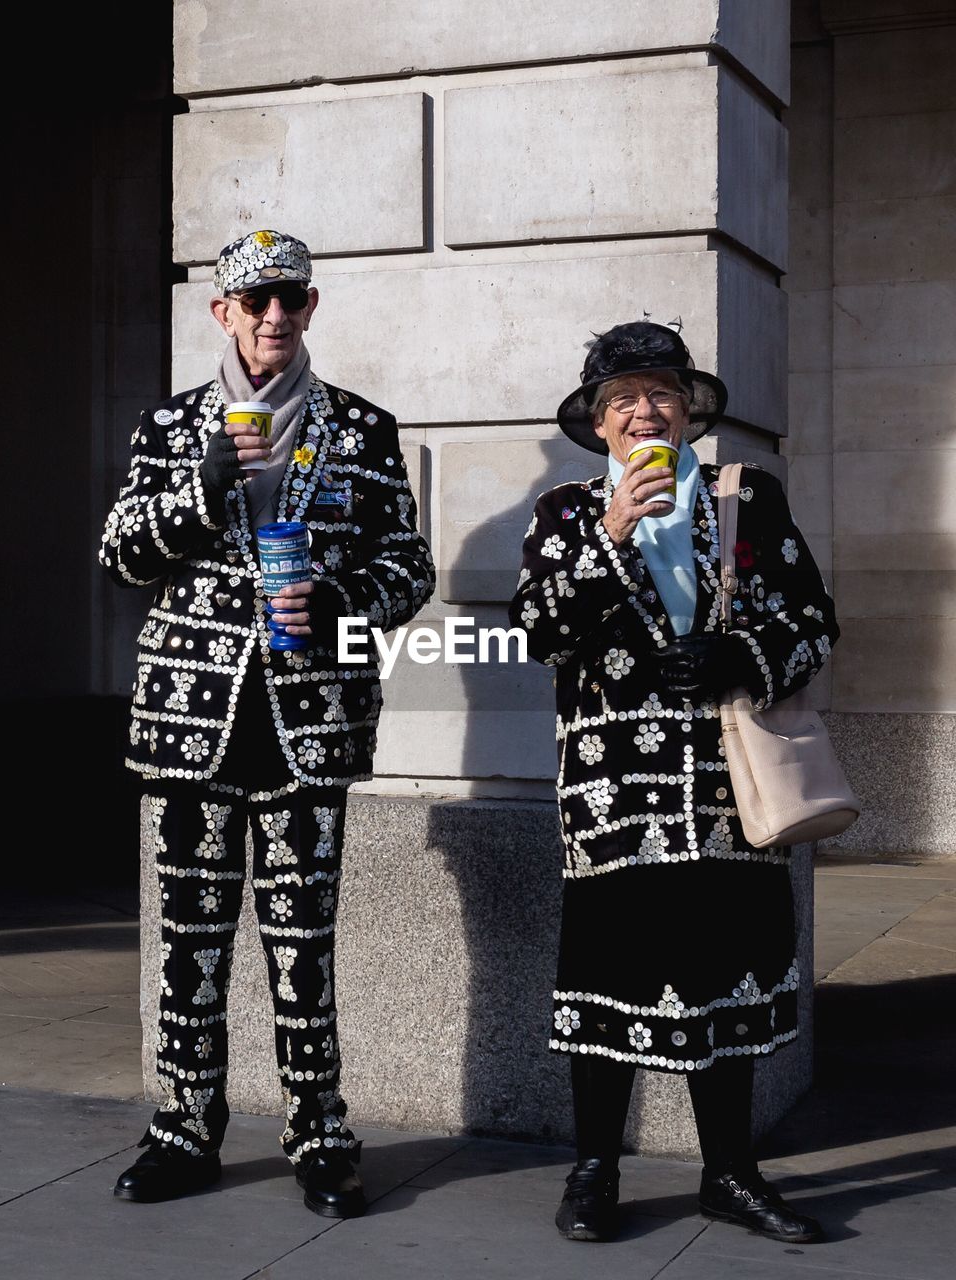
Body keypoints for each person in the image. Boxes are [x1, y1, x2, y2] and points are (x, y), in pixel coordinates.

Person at [100, 229, 434, 1215]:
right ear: (223, 313)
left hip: (307, 724)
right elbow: (121, 555)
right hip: (188, 724)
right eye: (257, 302)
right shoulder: (170, 427)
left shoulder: (361, 430)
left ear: (310, 307)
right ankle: (181, 1128)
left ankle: (320, 1133)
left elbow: (406, 570)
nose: (275, 316)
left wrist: (340, 603)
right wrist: (203, 484)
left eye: (291, 299)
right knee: (189, 944)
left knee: (304, 942)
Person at [509, 321, 835, 1244]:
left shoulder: (747, 499)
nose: (643, 411)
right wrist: (612, 535)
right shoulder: (566, 513)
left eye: (659, 393)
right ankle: (594, 1172)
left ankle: (730, 1174)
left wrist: (741, 649)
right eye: (622, 400)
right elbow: (538, 627)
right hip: (614, 796)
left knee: (723, 983)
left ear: (688, 410)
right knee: (607, 983)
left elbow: (815, 618)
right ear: (599, 424)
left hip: (727, 793)